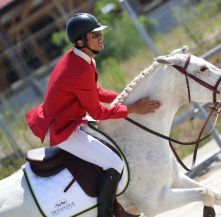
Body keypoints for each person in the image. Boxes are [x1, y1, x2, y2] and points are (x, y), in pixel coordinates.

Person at [25, 13, 161, 217]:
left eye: (99, 33)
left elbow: (94, 92)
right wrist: (132, 108)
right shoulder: (78, 68)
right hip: (65, 131)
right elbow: (97, 111)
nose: (100, 37)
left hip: (73, 120)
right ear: (81, 41)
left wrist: (126, 99)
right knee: (114, 163)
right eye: (94, 34)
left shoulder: (81, 58)